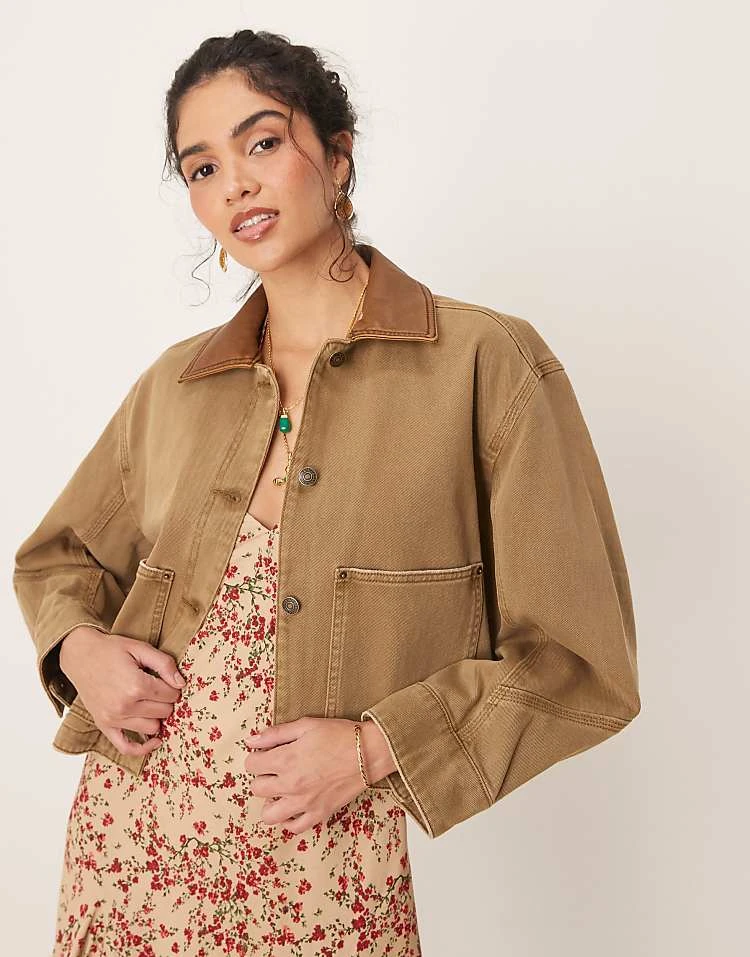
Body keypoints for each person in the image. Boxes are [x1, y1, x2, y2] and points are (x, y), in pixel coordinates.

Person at [12, 29, 641, 957]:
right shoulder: (176, 385)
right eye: (202, 168)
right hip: (132, 849)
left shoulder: (484, 363)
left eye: (262, 142)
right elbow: (58, 558)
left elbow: (579, 661)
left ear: (338, 153)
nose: (235, 185)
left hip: (324, 865)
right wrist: (82, 650)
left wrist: (374, 746)